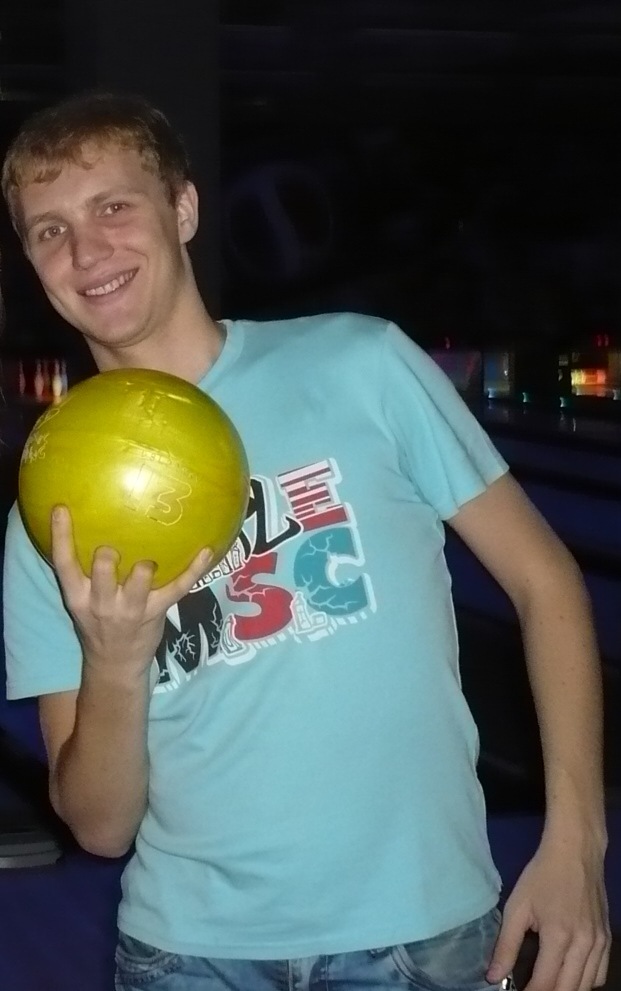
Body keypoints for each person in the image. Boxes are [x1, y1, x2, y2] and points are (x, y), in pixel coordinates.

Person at [1, 93, 610, 991]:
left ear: (183, 208)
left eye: (113, 206)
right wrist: (117, 664)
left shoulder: (360, 365)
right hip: (186, 957)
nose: (86, 251)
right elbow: (100, 826)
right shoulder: (45, 514)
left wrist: (576, 844)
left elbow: (544, 580)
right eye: (50, 231)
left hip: (422, 934)